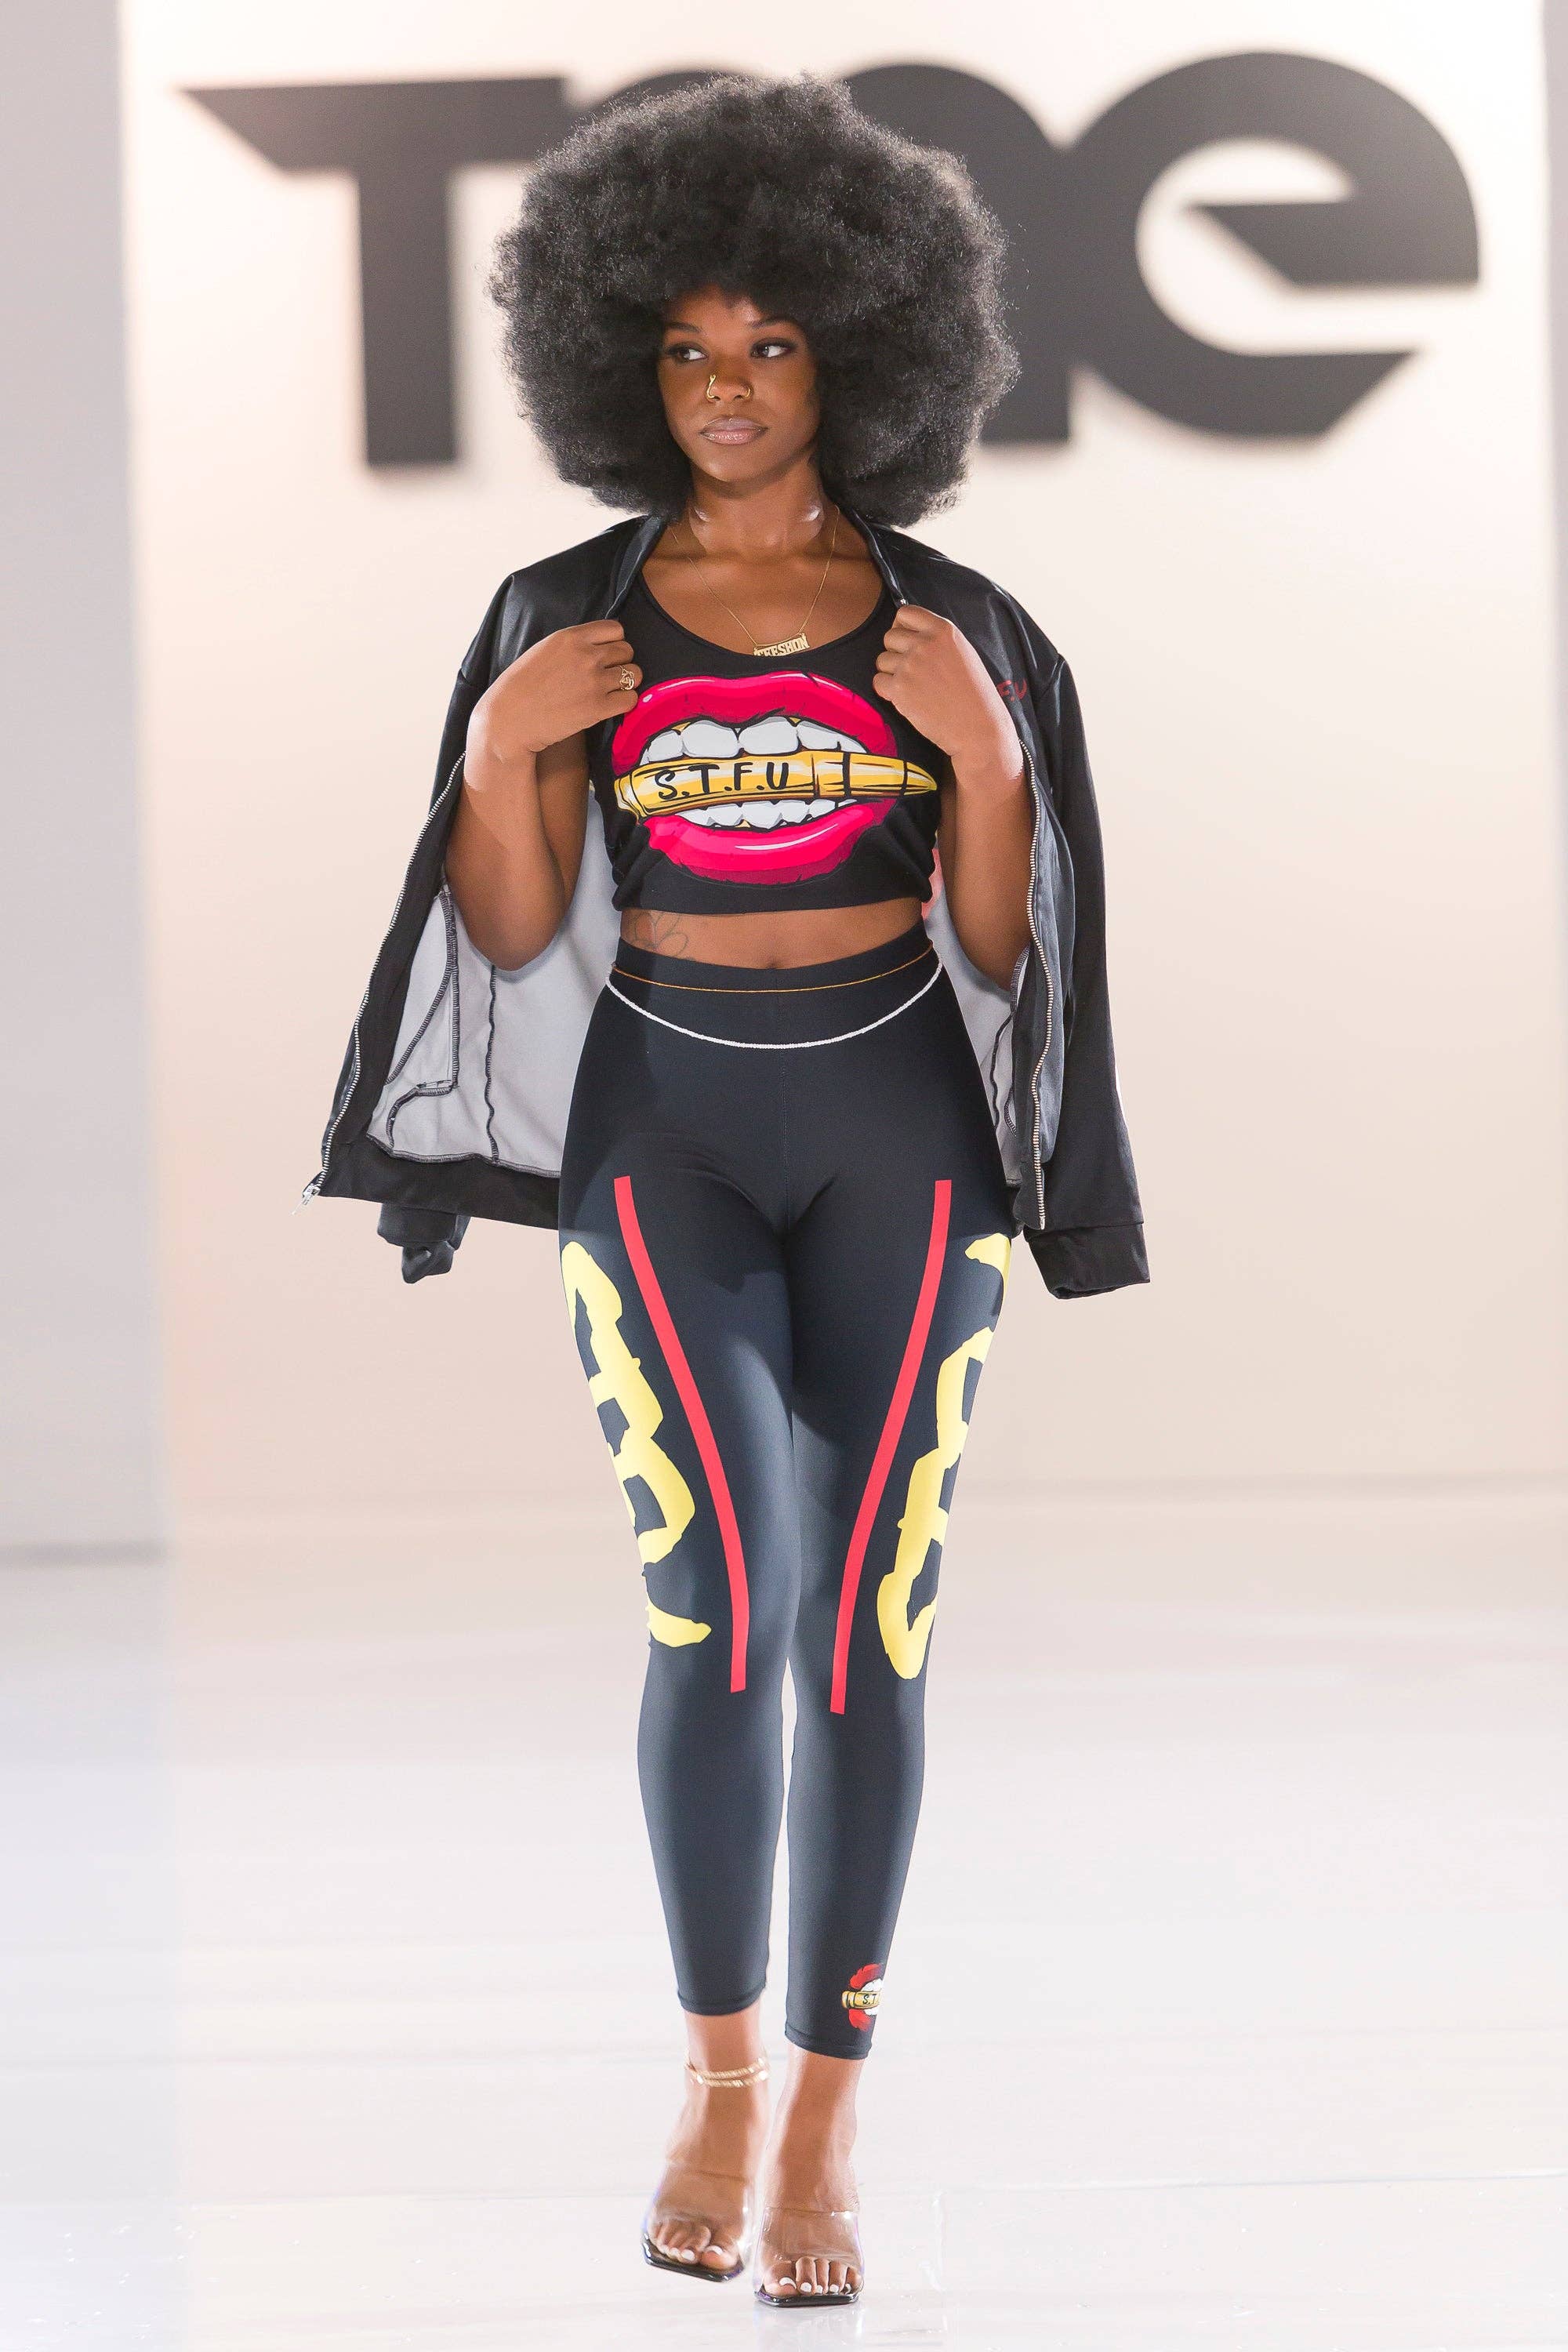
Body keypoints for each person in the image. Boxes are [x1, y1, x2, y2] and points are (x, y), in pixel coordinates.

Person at [304, 71, 1148, 2308]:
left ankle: (830, 2116)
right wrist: (500, 753)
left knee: (868, 1618)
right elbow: (509, 936)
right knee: (721, 1604)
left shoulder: (956, 627)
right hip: (661, 1134)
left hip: (904, 1141)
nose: (731, 388)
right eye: (685, 350)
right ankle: (712, 2075)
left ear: (864, 351)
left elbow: (1005, 952)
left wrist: (986, 760)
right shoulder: (564, 617)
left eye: (773, 343)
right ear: (619, 369)